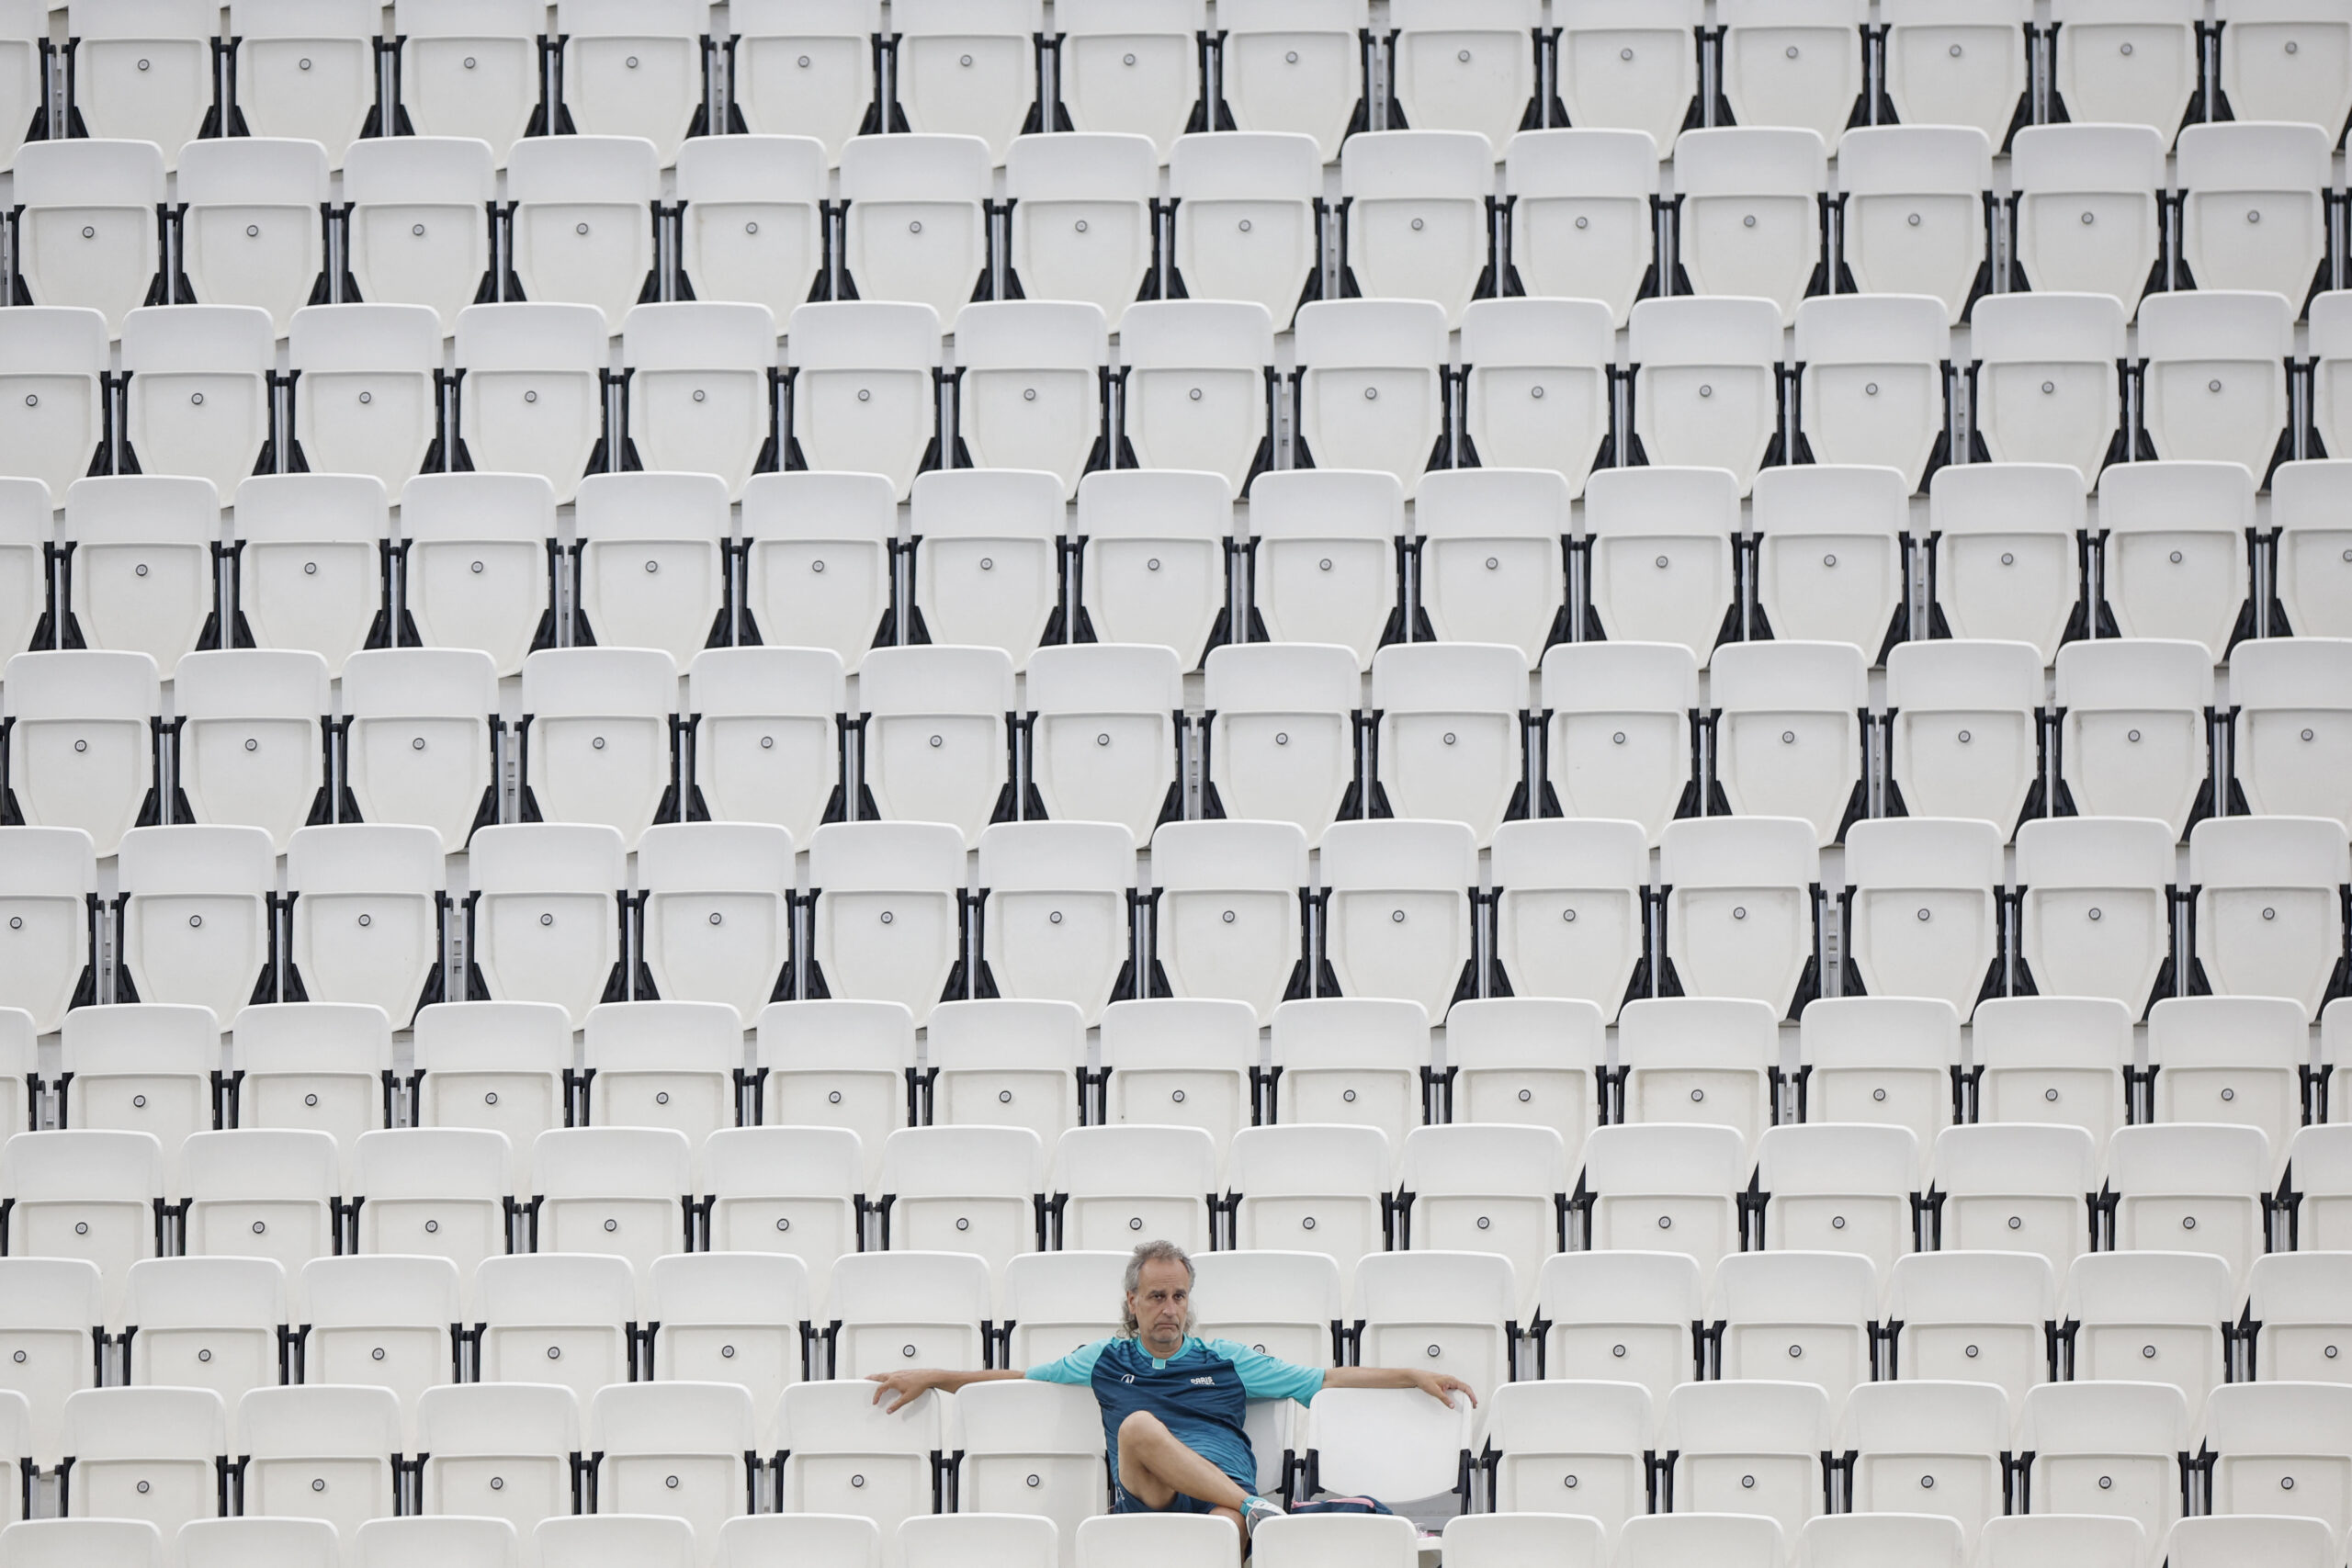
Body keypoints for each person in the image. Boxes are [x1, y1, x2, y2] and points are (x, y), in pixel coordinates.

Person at [867, 1239, 1474, 1537]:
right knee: (1137, 1426)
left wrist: (1410, 1372)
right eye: (1156, 1295)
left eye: (1178, 1295)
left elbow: (1324, 1378)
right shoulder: (1106, 1358)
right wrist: (934, 1375)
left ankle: (1249, 1512)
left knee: (1225, 1529)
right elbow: (1016, 1378)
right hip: (1150, 1493)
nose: (1168, 1307)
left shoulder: (1228, 1358)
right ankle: (1260, 1510)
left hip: (1223, 1497)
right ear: (1132, 1301)